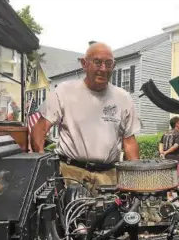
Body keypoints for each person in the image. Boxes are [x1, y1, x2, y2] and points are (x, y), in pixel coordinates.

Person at [31, 42, 141, 194]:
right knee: (68, 216)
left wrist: (137, 181)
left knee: (109, 217)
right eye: (97, 62)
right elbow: (41, 128)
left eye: (108, 64)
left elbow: (129, 142)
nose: (103, 69)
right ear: (84, 64)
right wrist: (43, 166)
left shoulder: (123, 98)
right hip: (70, 174)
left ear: (114, 66)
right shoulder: (64, 91)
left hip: (108, 176)